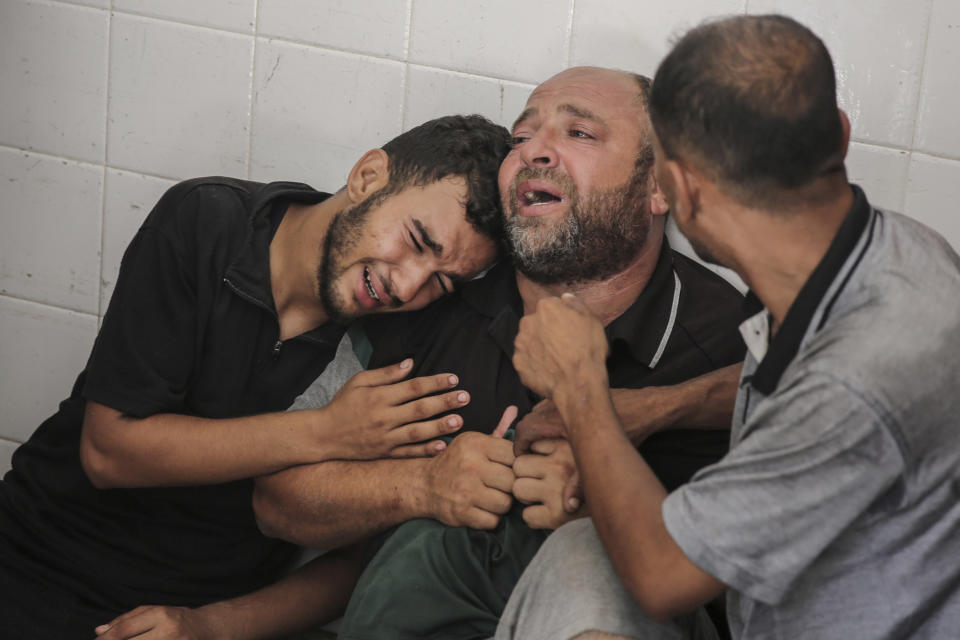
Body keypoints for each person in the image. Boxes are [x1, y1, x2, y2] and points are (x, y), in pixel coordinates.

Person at [504, 14, 960, 640]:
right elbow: (786, 385)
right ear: (840, 135)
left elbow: (663, 576)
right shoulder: (900, 249)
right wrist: (650, 408)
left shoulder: (856, 379)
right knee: (581, 557)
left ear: (677, 191)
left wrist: (581, 385)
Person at [256, 66, 746, 640]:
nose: (534, 151)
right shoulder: (429, 292)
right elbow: (277, 504)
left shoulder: (720, 340)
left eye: (579, 134)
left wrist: (604, 502)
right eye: (521, 138)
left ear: (660, 184)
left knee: (590, 556)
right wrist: (425, 485)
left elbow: (750, 573)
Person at [0, 114, 512, 639]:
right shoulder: (207, 223)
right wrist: (327, 431)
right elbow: (109, 451)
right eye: (416, 239)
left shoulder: (404, 343)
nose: (407, 287)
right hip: (35, 554)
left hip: (196, 611)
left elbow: (357, 559)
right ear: (368, 177)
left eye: (442, 284)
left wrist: (209, 628)